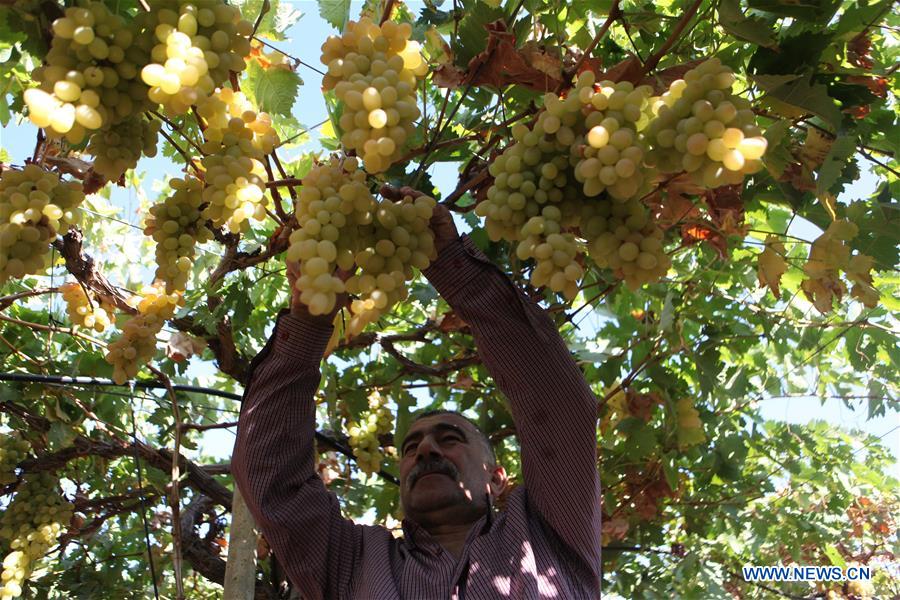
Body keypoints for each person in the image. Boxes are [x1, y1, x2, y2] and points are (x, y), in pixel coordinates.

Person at [232, 204, 602, 599]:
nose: (425, 449)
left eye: (450, 438)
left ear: (497, 480)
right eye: (410, 447)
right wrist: (308, 320)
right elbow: (268, 477)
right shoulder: (353, 561)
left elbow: (558, 405)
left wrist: (451, 264)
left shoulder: (549, 532)